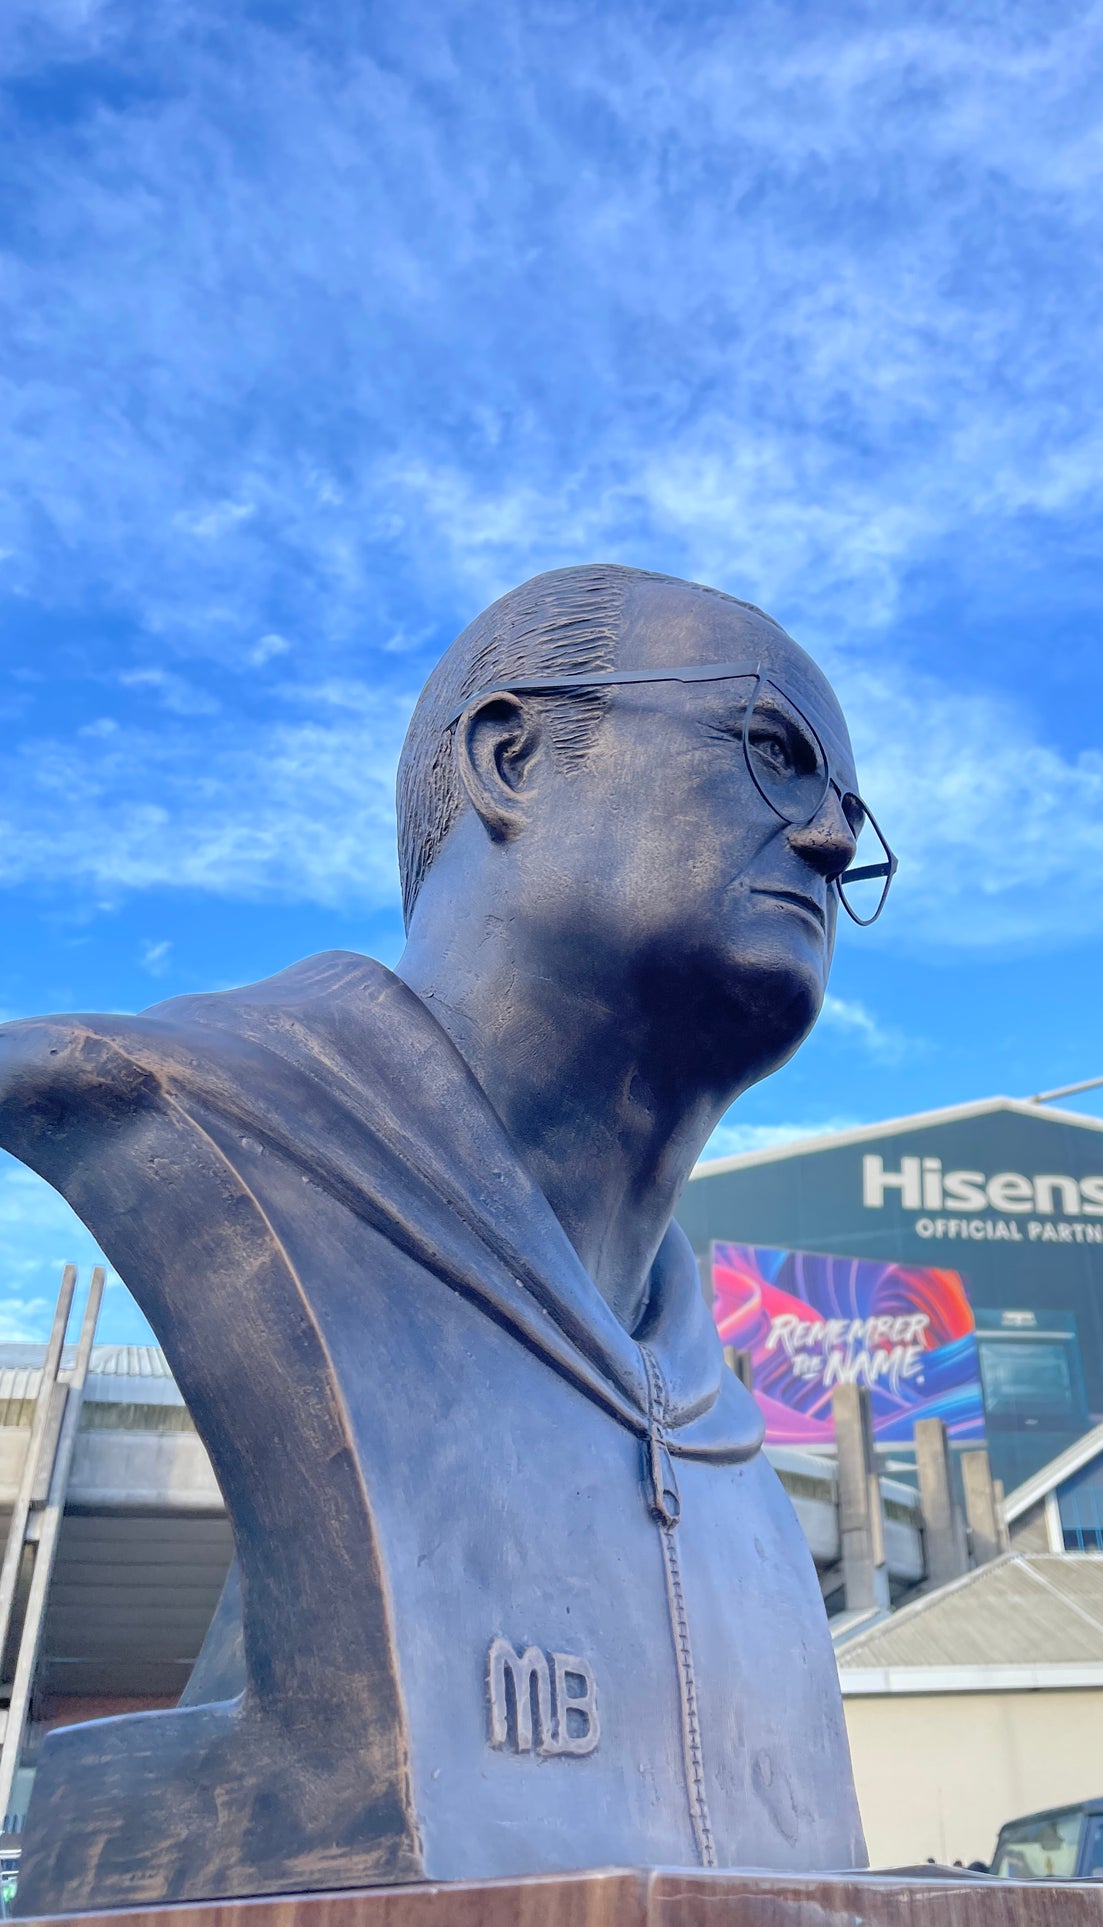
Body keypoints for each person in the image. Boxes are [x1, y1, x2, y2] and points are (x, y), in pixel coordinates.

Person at [0, 565, 892, 1913]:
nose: (831, 834)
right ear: (509, 758)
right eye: (772, 752)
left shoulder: (733, 1450)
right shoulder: (169, 1109)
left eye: (851, 803)